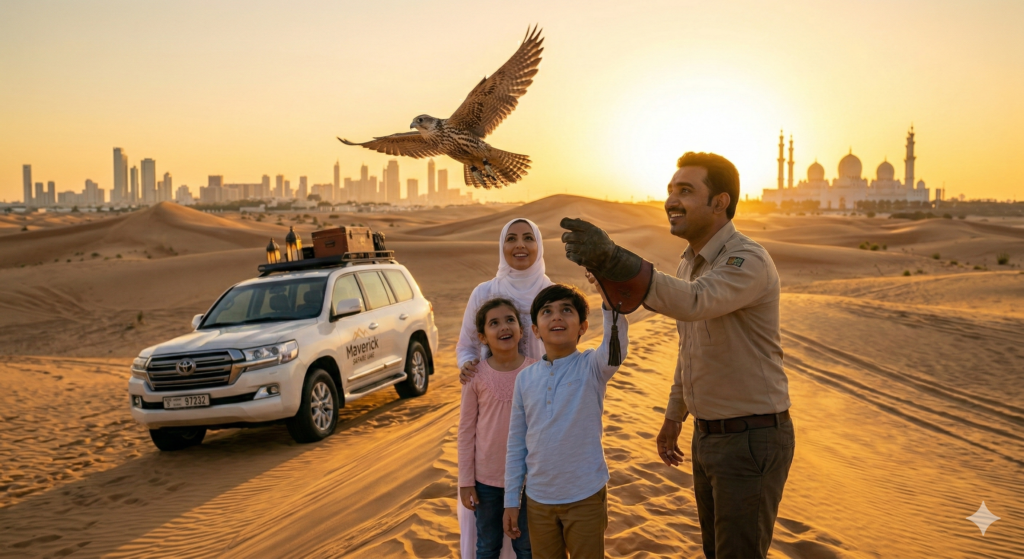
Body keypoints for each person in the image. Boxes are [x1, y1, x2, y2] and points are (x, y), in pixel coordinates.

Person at [559, 151, 794, 559]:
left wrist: (618, 261)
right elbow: (691, 352)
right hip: (709, 437)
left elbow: (695, 302)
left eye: (686, 191)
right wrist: (674, 417)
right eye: (670, 190)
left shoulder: (746, 260)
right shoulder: (689, 265)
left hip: (751, 438)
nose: (672, 200)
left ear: (720, 201)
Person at [502, 283, 629, 559]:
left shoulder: (592, 366)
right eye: (547, 311)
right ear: (535, 329)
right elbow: (516, 444)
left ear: (582, 327)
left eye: (566, 310)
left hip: (584, 495)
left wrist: (609, 303)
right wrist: (511, 500)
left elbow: (615, 350)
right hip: (538, 500)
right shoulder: (525, 379)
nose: (557, 317)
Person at [456, 218, 552, 559]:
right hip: (490, 410)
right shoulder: (485, 292)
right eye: (511, 239)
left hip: (539, 404)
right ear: (501, 246)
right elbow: (467, 345)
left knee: (530, 539)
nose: (520, 245)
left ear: (540, 245)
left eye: (529, 237)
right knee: (488, 542)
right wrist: (467, 366)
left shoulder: (548, 291)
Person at [459, 298, 536, 559]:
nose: (504, 327)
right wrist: (465, 481)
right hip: (486, 482)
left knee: (527, 547)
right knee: (488, 546)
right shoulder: (475, 376)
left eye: (510, 320)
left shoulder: (537, 371)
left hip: (529, 480)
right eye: (494, 323)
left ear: (521, 330)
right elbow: (466, 432)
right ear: (482, 336)